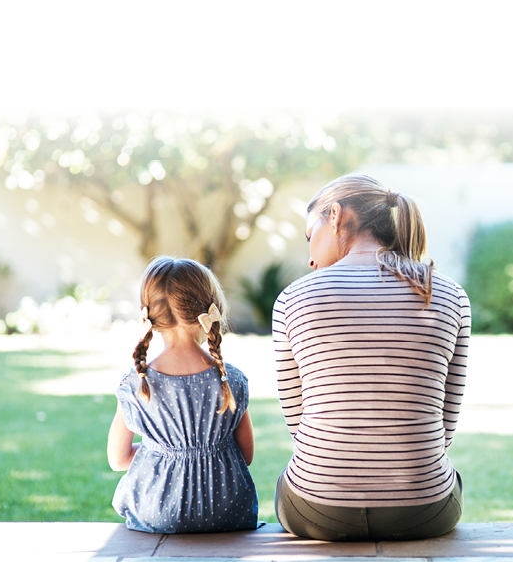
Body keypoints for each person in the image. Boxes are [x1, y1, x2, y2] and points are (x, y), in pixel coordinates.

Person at [272, 172, 471, 542]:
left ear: (335, 216)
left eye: (309, 235)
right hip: (424, 510)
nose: (310, 258)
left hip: (317, 510)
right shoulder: (449, 294)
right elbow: (445, 424)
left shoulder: (293, 299)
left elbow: (298, 425)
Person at [107, 255, 258, 533]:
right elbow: (246, 454)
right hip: (227, 511)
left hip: (157, 513)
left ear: (149, 316)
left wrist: (161, 450)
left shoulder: (136, 383)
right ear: (211, 310)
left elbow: (118, 459)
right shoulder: (232, 379)